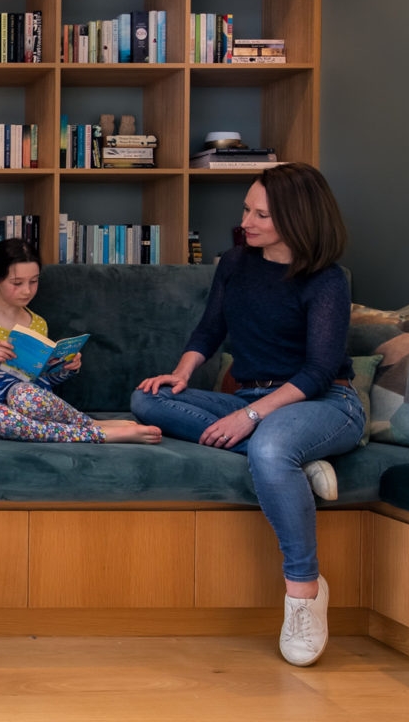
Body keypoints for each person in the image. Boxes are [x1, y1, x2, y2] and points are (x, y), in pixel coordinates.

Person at [131, 162, 365, 667]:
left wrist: (253, 418)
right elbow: (209, 329)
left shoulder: (326, 280)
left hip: (324, 403)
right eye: (246, 209)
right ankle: (296, 466)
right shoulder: (235, 263)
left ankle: (304, 594)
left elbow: (319, 371)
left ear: (298, 219)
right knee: (146, 401)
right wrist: (181, 373)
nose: (247, 221)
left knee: (270, 444)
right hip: (251, 400)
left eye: (261, 214)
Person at [0, 238, 163, 444]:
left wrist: (64, 368)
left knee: (23, 394)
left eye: (34, 282)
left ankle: (92, 425)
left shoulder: (37, 323)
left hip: (28, 396)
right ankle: (99, 431)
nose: (27, 290)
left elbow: (41, 379)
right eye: (17, 283)